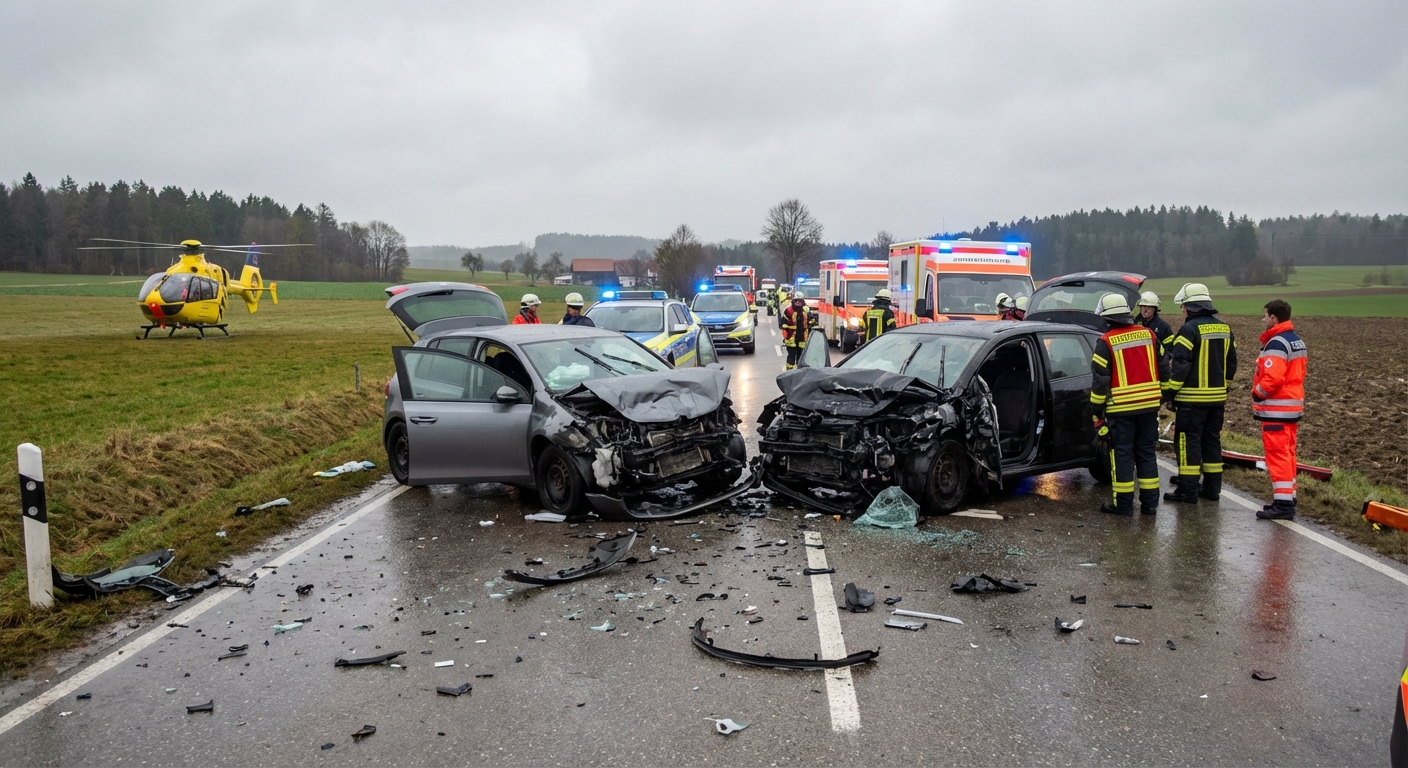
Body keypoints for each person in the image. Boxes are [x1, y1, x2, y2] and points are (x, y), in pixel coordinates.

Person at [1090, 293, 1168, 516]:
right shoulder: (1149, 334)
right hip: (1149, 407)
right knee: (1146, 453)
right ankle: (1150, 504)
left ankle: (1123, 505)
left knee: (1122, 455)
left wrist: (1096, 411)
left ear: (1107, 318)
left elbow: (1100, 382)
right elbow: (1164, 367)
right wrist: (1161, 396)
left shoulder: (1105, 342)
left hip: (1121, 410)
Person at [1162, 282, 1237, 504]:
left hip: (1191, 401)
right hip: (1217, 400)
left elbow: (1181, 366)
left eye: (1183, 306)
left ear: (1191, 307)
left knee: (1188, 443)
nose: (1182, 310)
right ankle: (1212, 489)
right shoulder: (1224, 328)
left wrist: (1170, 392)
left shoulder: (1189, 329)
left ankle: (1187, 490)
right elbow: (1231, 363)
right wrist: (1223, 386)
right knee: (1211, 441)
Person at [1252, 299, 1307, 520]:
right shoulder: (1296, 341)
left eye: (1265, 315)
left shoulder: (1277, 343)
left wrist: (1257, 392)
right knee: (1288, 453)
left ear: (1274, 317)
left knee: (1277, 456)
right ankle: (1288, 497)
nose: (1263, 319)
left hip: (1277, 409)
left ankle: (1284, 505)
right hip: (1292, 408)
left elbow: (1271, 380)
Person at [781, 295, 812, 370]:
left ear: (803, 302)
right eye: (796, 300)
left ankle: (799, 371)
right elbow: (783, 323)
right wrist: (786, 335)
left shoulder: (806, 311)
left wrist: (809, 317)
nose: (798, 302)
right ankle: (789, 371)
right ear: (793, 301)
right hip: (791, 338)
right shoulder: (788, 311)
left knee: (801, 356)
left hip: (802, 338)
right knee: (791, 355)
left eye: (800, 300)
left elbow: (812, 321)